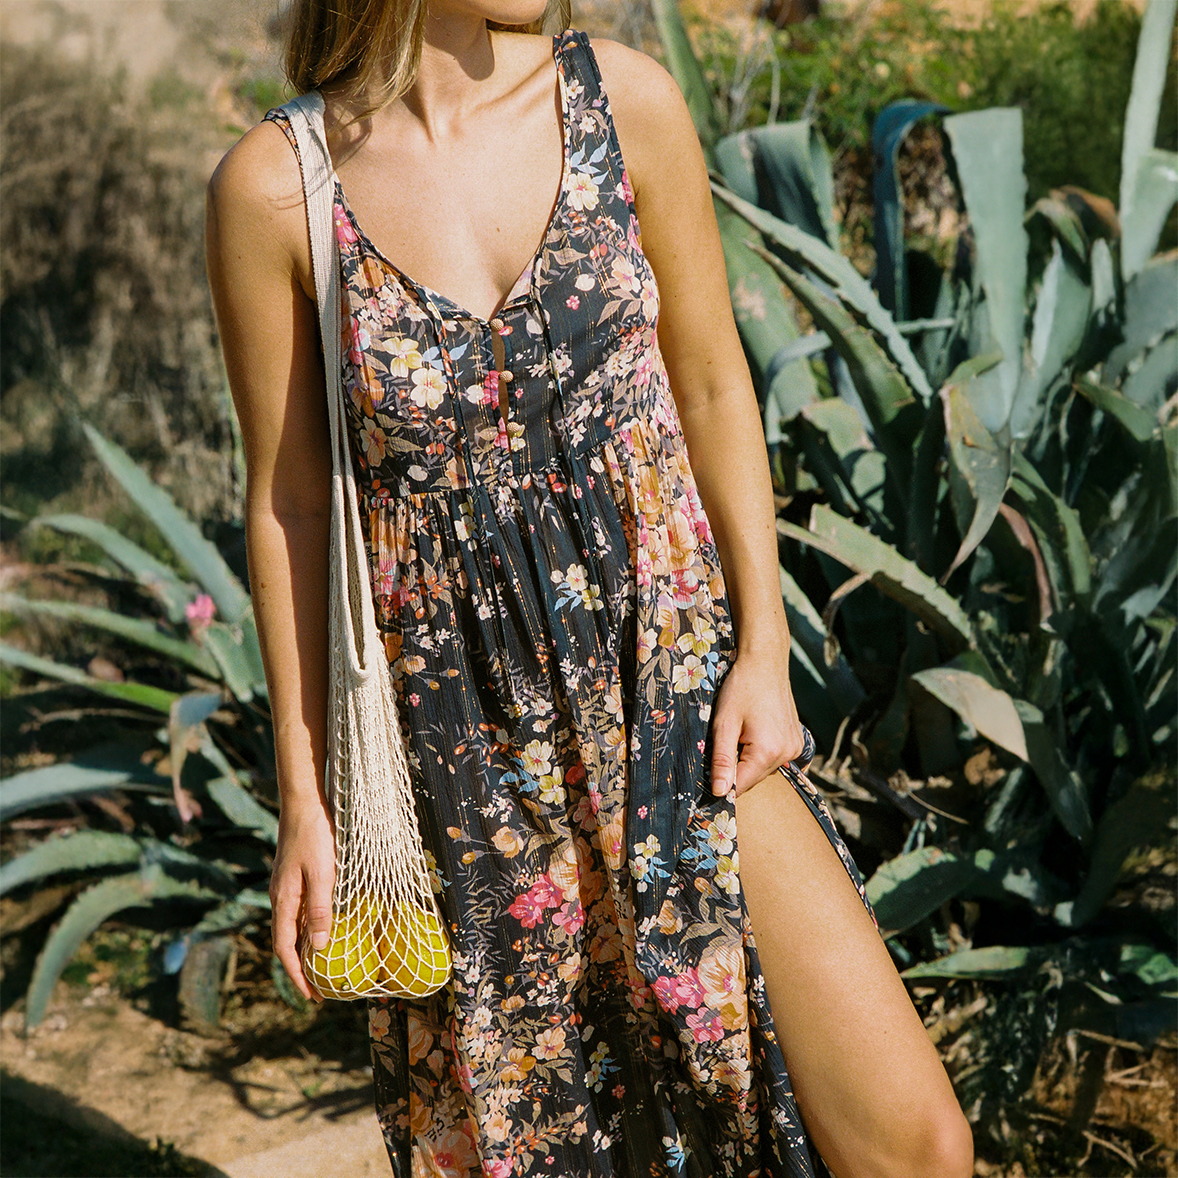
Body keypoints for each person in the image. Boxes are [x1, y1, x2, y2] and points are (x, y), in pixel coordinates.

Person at [205, 2, 974, 1174]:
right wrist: (305, 800)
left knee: (913, 1141)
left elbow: (711, 381)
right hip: (464, 754)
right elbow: (291, 507)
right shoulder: (276, 187)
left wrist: (762, 649)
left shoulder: (620, 99)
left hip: (675, 689)